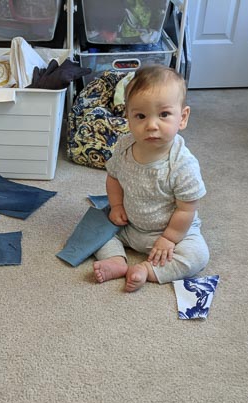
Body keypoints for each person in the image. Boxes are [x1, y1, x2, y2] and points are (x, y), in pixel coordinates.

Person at [93, 65, 209, 292]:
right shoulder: (124, 147)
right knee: (95, 228)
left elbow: (186, 209)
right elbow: (113, 177)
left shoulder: (183, 164)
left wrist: (170, 239)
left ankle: (149, 270)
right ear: (128, 117)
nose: (152, 125)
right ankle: (116, 260)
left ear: (182, 117)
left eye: (164, 114)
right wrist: (116, 206)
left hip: (171, 232)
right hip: (130, 224)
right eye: (140, 116)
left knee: (198, 255)